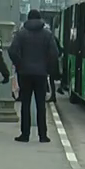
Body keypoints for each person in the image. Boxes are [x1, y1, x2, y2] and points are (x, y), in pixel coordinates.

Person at [8, 10, 60, 143]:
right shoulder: (47, 35)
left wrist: (19, 64)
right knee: (40, 104)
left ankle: (25, 134)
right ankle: (43, 135)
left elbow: (12, 50)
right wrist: (48, 68)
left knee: (25, 104)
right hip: (41, 74)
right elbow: (54, 53)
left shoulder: (21, 34)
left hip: (24, 73)